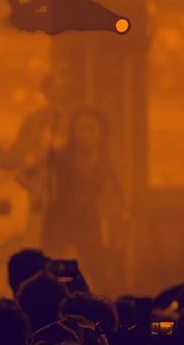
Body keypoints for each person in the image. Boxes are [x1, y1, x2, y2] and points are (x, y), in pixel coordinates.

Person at [0, 74, 74, 245]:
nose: (62, 92)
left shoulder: (83, 120)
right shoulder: (35, 122)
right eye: (57, 87)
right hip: (44, 200)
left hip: (78, 205)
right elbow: (10, 159)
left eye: (66, 87)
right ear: (46, 91)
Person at [41, 107, 125, 289]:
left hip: (89, 222)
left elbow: (113, 192)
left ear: (101, 133)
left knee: (98, 272)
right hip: (62, 222)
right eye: (82, 129)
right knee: (59, 276)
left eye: (91, 129)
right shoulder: (60, 159)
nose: (86, 135)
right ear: (73, 132)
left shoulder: (104, 161)